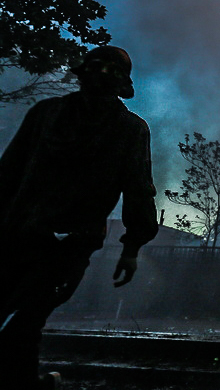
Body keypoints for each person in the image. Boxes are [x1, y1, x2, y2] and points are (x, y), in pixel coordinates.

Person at [0, 46, 159, 390]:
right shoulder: (46, 113)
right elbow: (8, 172)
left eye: (112, 71)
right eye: (97, 67)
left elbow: (138, 190)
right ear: (82, 71)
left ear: (123, 84)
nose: (102, 75)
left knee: (27, 320)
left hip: (69, 243)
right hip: (17, 233)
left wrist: (132, 246)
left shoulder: (130, 129)